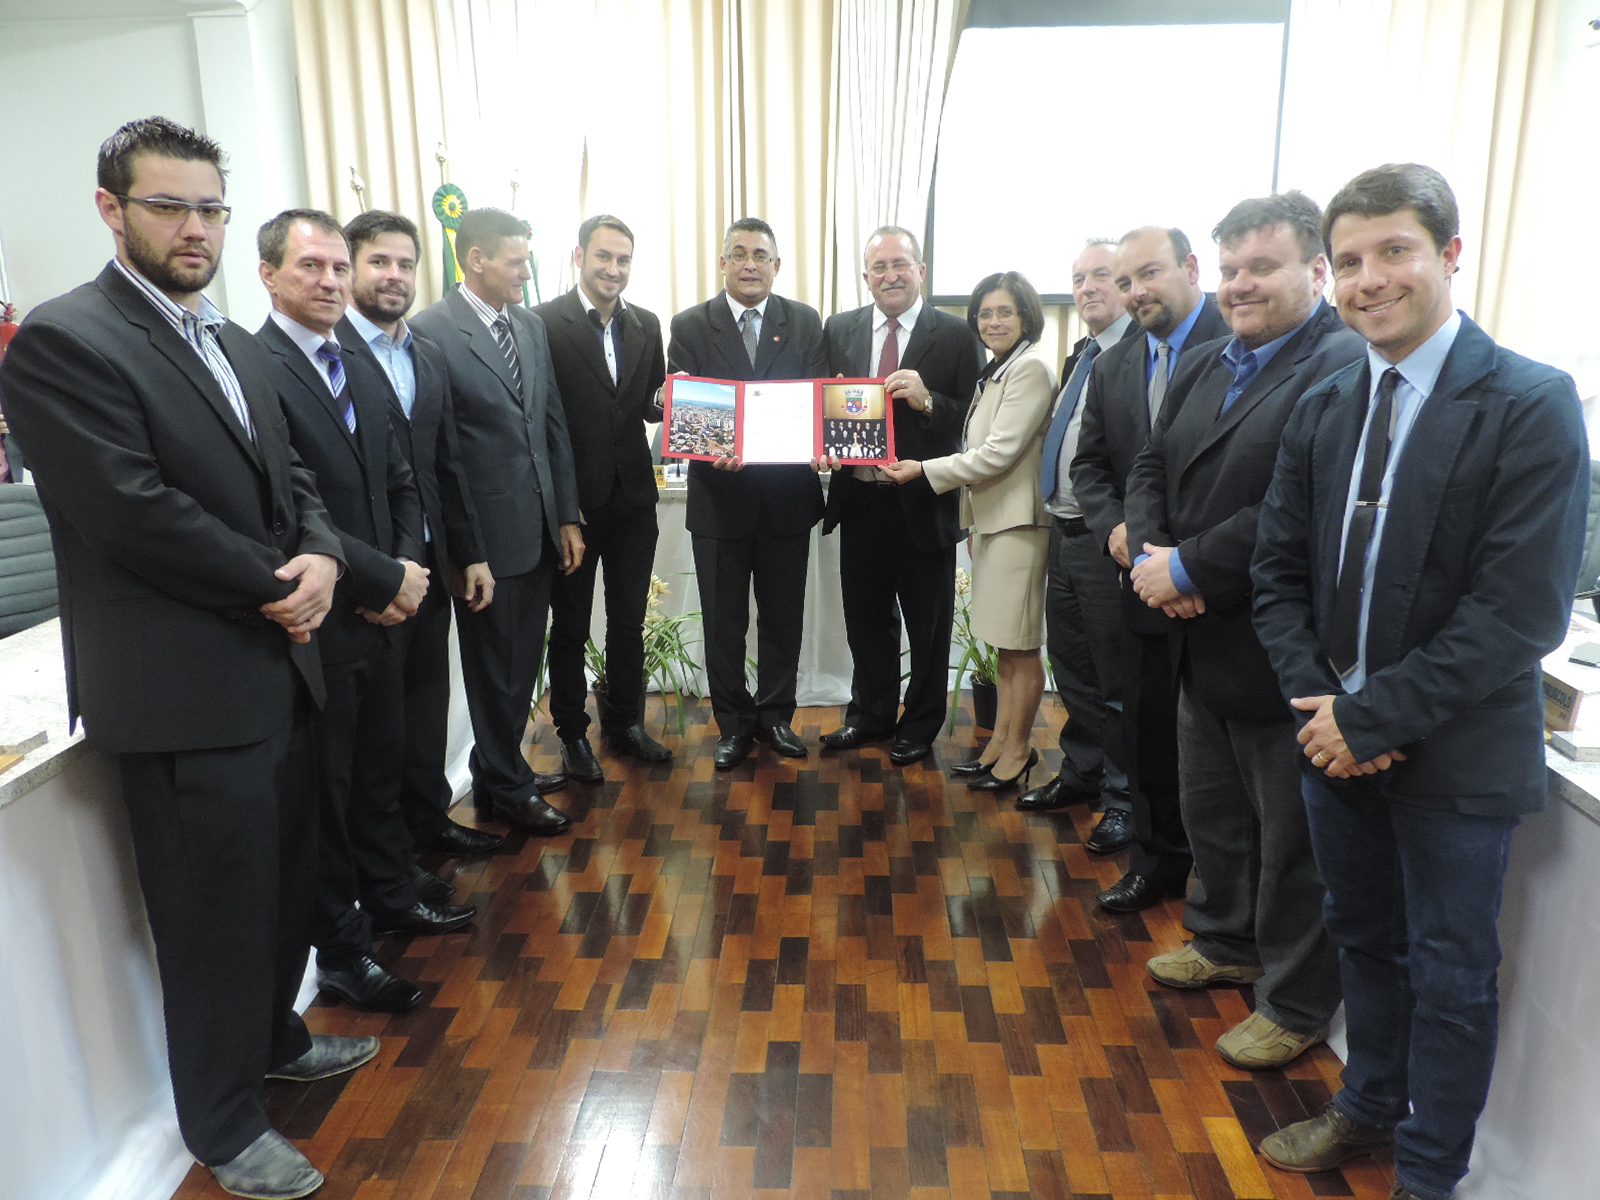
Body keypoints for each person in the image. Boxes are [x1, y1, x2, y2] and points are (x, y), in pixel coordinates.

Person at [0, 117, 374, 1199]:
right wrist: (281, 583)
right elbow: (133, 512)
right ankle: (220, 1124)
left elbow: (291, 474)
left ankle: (275, 1040)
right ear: (112, 209)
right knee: (210, 915)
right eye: (169, 205)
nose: (196, 226)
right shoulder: (68, 341)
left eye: (210, 206)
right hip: (182, 690)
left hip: (275, 666)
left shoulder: (230, 337)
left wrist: (317, 554)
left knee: (279, 885)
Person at [1250, 164, 1588, 1200]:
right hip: (1333, 741)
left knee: (1448, 973)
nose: (1366, 280)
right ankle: (1363, 1109)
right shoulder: (1324, 395)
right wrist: (1328, 710)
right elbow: (1276, 572)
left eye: (1392, 251)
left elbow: (1519, 611)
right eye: (1347, 261)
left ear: (1446, 254)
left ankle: (1430, 1175)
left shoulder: (1529, 402)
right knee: (1362, 938)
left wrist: (1371, 715)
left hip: (1452, 756)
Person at [1123, 191, 1363, 1070]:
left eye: (1261, 268)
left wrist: (1186, 569)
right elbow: (1152, 461)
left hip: (1278, 647)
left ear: (1315, 271)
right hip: (1197, 641)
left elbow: (1296, 508)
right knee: (1216, 815)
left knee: (1291, 842)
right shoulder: (1212, 357)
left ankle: (1295, 1000)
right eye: (1229, 271)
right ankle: (1224, 938)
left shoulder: (1341, 365)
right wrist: (1156, 557)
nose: (1240, 286)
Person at [257, 208, 477, 1014]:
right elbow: (289, 509)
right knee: (332, 789)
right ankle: (344, 952)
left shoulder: (361, 356)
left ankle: (388, 893)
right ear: (270, 276)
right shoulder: (258, 367)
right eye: (311, 268)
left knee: (381, 766)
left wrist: (411, 569)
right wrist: (381, 578)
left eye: (336, 270)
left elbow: (402, 474)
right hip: (329, 619)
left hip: (392, 601)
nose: (330, 282)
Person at [411, 208, 585, 833]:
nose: (527, 270)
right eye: (516, 260)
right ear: (476, 259)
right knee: (495, 673)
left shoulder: (531, 327)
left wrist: (567, 514)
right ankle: (508, 789)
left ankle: (497, 770)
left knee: (519, 665)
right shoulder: (430, 329)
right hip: (483, 541)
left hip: (538, 529)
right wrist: (466, 549)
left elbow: (552, 424)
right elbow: (441, 452)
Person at [1071, 226, 1229, 912]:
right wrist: (1116, 531)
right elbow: (1092, 465)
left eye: (1149, 274)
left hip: (1221, 589)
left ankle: (1224, 890)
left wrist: (1185, 562)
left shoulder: (1241, 339)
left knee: (1222, 752)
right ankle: (1157, 862)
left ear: (1191, 268)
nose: (1137, 291)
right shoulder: (1115, 362)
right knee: (1146, 727)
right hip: (1139, 580)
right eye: (1126, 280)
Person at [339, 210, 505, 863]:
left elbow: (447, 464)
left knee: (426, 705)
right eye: (379, 262)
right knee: (379, 730)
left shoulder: (424, 355)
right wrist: (375, 572)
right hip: (373, 577)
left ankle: (428, 822)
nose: (394, 276)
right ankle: (389, 860)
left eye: (405, 264)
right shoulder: (332, 356)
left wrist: (469, 553)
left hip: (435, 567)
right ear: (351, 267)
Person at [881, 271, 1055, 790]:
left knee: (1021, 646)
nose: (993, 322)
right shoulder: (998, 371)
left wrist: (924, 470)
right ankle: (999, 744)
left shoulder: (1030, 371)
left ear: (1026, 316)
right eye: (984, 313)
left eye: (1005, 312)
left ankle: (1018, 751)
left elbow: (998, 453)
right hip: (994, 521)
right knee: (1004, 643)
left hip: (1020, 523)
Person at [817, 225, 983, 766]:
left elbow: (975, 421)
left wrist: (929, 400)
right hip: (859, 500)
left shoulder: (956, 335)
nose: (890, 275)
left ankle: (920, 725)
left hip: (923, 501)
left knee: (927, 624)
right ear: (865, 276)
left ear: (921, 271)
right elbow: (820, 408)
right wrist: (819, 447)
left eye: (900, 264)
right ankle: (870, 716)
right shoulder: (838, 328)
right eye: (879, 267)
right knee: (866, 621)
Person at [666, 217, 826, 770]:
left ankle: (777, 716)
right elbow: (682, 406)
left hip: (787, 500)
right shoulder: (690, 325)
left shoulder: (805, 322)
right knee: (724, 625)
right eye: (739, 254)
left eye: (761, 254)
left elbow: (818, 399)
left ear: (777, 265)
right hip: (719, 502)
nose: (750, 264)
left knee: (783, 619)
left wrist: (819, 441)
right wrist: (707, 443)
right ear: (723, 264)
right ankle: (732, 725)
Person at [533, 214, 671, 781]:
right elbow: (543, 421)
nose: (613, 270)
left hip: (635, 500)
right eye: (604, 258)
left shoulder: (646, 324)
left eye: (623, 260)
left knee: (627, 621)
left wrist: (687, 403)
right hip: (574, 508)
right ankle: (571, 733)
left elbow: (650, 407)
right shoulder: (542, 323)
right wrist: (564, 509)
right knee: (569, 625)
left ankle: (625, 723)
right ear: (579, 256)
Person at [1018, 239, 1141, 855]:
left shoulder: (1143, 355)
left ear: (1127, 286)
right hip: (1064, 535)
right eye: (1078, 277)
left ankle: (1122, 800)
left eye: (1102, 276)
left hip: (1108, 541)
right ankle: (1083, 772)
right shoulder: (1081, 355)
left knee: (1115, 679)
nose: (1088, 287)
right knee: (1072, 672)